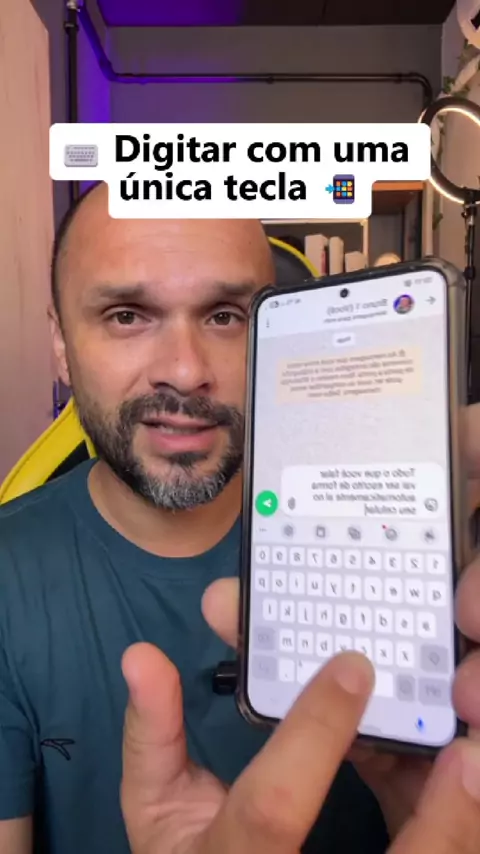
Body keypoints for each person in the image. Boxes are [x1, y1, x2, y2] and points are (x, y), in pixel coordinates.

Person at [0, 180, 479, 854]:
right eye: (128, 315)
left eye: (226, 315)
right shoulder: (9, 576)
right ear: (59, 340)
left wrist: (438, 813)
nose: (185, 371)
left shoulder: (403, 545)